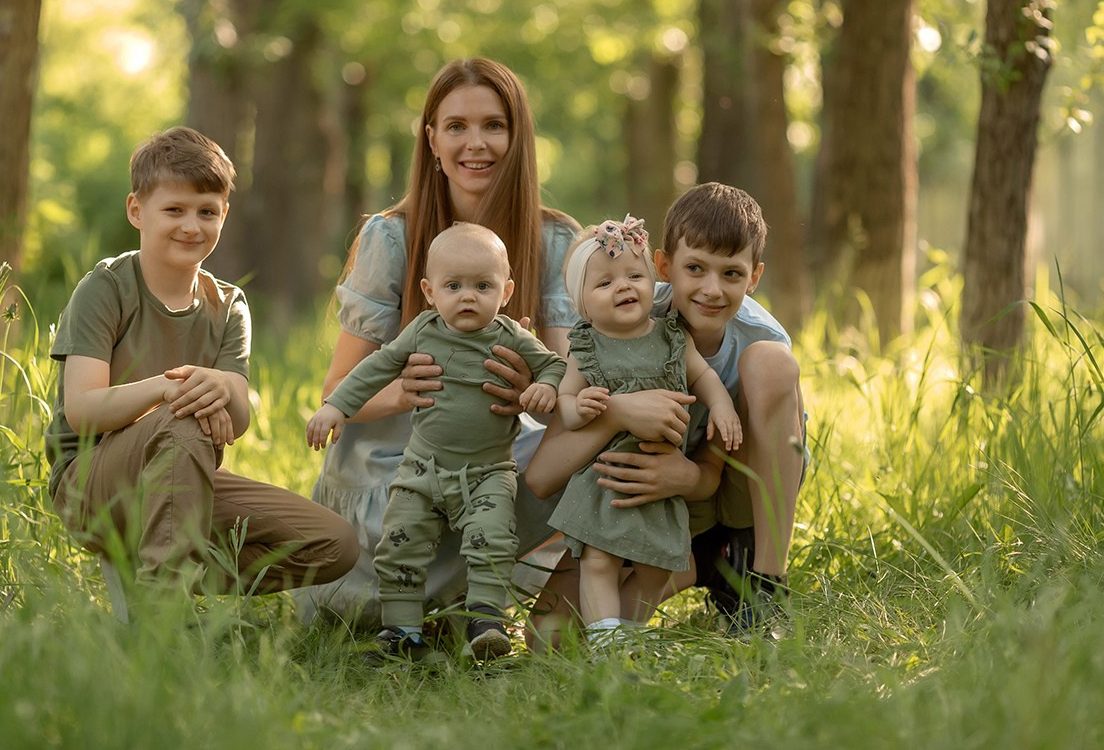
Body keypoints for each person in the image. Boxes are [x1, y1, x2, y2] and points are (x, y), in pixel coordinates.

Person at [297, 57, 581, 634]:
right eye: (456, 126)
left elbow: (569, 388)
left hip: (489, 464)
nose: (476, 144)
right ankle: (419, 600)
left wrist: (531, 390)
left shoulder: (555, 240)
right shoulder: (392, 236)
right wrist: (404, 391)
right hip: (397, 473)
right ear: (431, 139)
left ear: (518, 136)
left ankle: (562, 609)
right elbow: (337, 393)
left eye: (494, 126)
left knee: (603, 435)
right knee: (408, 532)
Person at [44, 126, 359, 611]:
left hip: (184, 479)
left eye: (207, 212)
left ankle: (158, 566)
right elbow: (83, 412)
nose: (192, 225)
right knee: (182, 419)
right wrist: (175, 389)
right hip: (91, 483)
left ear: (224, 215)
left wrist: (219, 389)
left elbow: (236, 421)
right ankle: (161, 618)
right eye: (174, 210)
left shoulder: (228, 304)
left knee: (334, 543)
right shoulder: (106, 288)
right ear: (136, 211)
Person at [526, 182, 805, 643]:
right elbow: (541, 477)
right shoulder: (620, 316)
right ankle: (706, 565)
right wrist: (616, 413)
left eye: (731, 274)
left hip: (738, 496)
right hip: (648, 507)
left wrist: (693, 477)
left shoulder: (758, 336)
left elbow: (726, 466)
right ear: (662, 265)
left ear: (754, 277)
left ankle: (764, 584)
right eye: (694, 268)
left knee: (770, 362)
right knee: (548, 635)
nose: (712, 290)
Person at [307, 223, 566, 660]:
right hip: (422, 468)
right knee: (402, 540)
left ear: (506, 291)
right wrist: (336, 406)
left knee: (492, 540)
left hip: (488, 472)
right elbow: (376, 367)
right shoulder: (422, 331)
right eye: (454, 285)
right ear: (429, 291)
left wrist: (546, 387)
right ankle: (403, 631)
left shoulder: (511, 336)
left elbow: (555, 364)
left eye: (483, 285)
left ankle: (486, 622)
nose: (468, 296)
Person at [548, 214, 741, 646]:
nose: (623, 286)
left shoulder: (671, 337)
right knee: (599, 562)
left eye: (634, 275)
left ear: (652, 280)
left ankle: (628, 635)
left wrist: (723, 406)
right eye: (605, 283)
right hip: (607, 477)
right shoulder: (584, 347)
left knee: (656, 569)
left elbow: (704, 377)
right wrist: (581, 408)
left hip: (661, 477)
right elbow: (565, 403)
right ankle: (604, 640)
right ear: (581, 302)